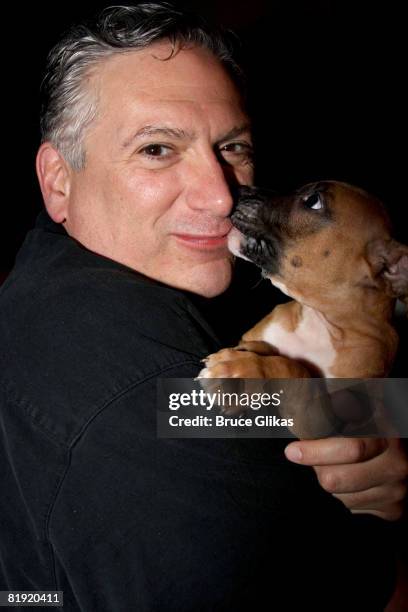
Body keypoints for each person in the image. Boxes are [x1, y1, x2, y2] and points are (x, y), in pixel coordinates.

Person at [0, 3, 406, 610]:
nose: (221, 196)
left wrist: (372, 427)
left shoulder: (42, 275)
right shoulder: (151, 391)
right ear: (59, 181)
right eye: (158, 149)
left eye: (233, 146)